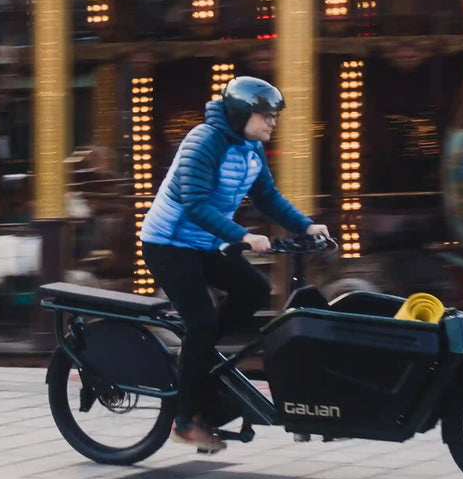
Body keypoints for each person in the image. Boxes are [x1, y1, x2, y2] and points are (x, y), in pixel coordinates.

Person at [140, 77, 331, 450]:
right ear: (243, 113)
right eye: (267, 115)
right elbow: (194, 204)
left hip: (205, 244)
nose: (273, 122)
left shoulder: (251, 148)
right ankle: (184, 419)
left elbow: (268, 197)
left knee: (255, 289)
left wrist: (306, 225)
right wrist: (241, 236)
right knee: (202, 322)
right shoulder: (204, 142)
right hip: (169, 245)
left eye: (275, 116)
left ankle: (202, 359)